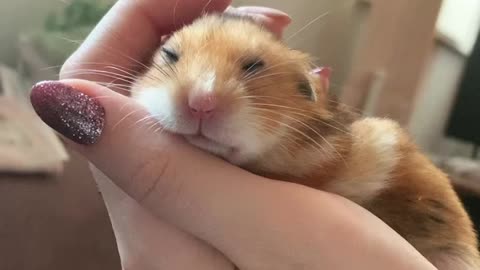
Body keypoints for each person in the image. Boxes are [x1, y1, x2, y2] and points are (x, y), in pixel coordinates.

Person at [30, 0, 437, 269]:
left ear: (309, 91)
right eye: (171, 57)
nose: (203, 96)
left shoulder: (353, 146)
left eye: (254, 69)